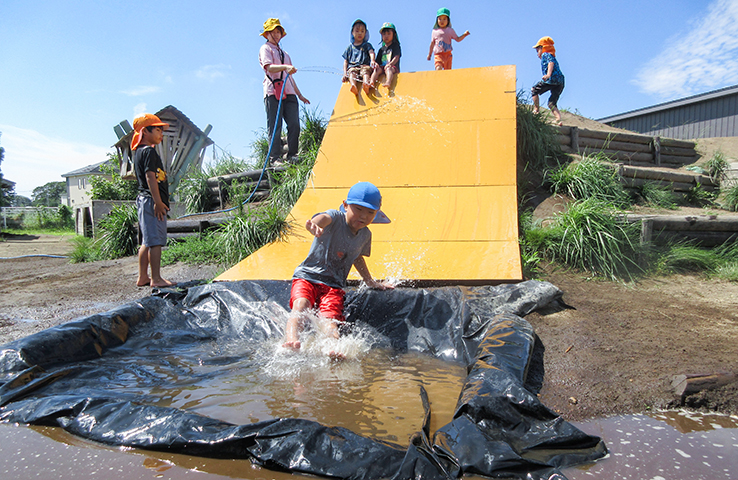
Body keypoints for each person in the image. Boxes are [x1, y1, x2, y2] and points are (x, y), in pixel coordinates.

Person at [283, 182, 393, 354]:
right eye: (358, 209)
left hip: (333, 286)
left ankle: (333, 348)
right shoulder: (336, 218)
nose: (363, 216)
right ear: (345, 205)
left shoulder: (365, 235)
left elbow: (357, 257)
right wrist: (314, 224)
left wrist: (370, 282)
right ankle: (292, 339)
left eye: (370, 212)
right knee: (301, 304)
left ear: (377, 213)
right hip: (308, 277)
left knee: (330, 319)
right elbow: (323, 218)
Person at [259, 18, 310, 166]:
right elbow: (269, 67)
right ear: (267, 34)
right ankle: (275, 159)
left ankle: (292, 154)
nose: (276, 35)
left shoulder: (285, 54)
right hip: (272, 91)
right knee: (275, 125)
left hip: (289, 92)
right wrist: (284, 67)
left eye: (278, 32)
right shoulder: (265, 49)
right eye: (273, 32)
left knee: (294, 124)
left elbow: (290, 78)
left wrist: (299, 95)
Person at [132, 113, 174, 288]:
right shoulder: (148, 151)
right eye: (157, 129)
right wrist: (157, 201)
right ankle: (156, 278)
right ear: (145, 131)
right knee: (155, 241)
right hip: (151, 201)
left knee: (146, 241)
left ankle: (143, 277)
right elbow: (150, 177)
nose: (161, 133)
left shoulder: (139, 152)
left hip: (144, 200)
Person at [531, 36, 565, 126]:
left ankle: (536, 110)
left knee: (534, 90)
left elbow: (551, 63)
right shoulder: (550, 55)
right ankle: (558, 119)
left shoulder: (546, 54)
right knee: (551, 103)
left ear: (543, 48)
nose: (537, 53)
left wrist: (548, 75)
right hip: (560, 81)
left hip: (552, 79)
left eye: (537, 50)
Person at [342, 19, 375, 96]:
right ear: (352, 33)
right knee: (352, 73)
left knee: (365, 72)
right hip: (353, 67)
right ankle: (353, 85)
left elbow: (371, 52)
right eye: (357, 31)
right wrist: (344, 73)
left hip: (364, 65)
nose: (360, 33)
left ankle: (366, 83)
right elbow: (345, 61)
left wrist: (373, 60)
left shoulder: (367, 45)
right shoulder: (349, 48)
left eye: (362, 31)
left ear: (365, 33)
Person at [369, 22, 401, 91]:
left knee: (388, 69)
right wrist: (375, 64)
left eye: (389, 34)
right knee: (376, 70)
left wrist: (390, 64)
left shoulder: (395, 46)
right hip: (382, 67)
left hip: (393, 67)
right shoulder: (381, 49)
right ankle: (371, 81)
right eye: (384, 34)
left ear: (394, 35)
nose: (386, 36)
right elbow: (378, 61)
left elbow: (396, 57)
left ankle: (388, 81)